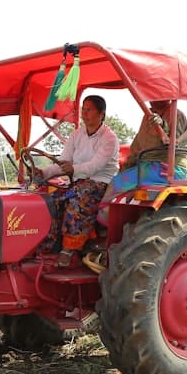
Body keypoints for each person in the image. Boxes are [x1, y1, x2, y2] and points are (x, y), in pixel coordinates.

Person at [38, 95, 119, 267]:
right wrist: (43, 173)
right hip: (78, 181)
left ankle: (69, 249)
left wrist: (73, 169)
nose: (84, 113)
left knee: (77, 198)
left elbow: (95, 166)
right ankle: (49, 245)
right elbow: (64, 162)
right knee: (54, 200)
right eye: (83, 109)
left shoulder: (109, 138)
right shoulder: (77, 134)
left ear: (101, 114)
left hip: (101, 183)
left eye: (89, 109)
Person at [98, 100, 187, 226]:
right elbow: (138, 145)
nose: (153, 98)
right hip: (147, 166)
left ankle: (104, 223)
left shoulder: (176, 114)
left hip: (168, 168)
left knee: (117, 184)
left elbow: (174, 141)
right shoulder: (148, 116)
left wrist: (163, 125)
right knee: (117, 182)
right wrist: (127, 166)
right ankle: (113, 223)